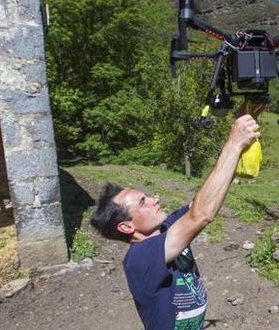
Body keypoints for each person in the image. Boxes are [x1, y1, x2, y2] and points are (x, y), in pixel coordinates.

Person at [90, 114, 260, 330]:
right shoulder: (139, 259)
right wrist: (234, 144)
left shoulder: (167, 227)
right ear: (126, 226)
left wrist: (247, 121)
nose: (155, 199)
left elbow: (202, 201)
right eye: (144, 202)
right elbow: (202, 214)